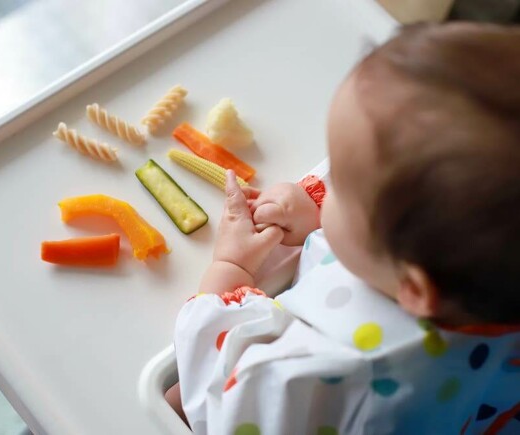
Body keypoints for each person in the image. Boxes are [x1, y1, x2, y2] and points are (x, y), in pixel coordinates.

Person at [166, 22, 520, 434]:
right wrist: (315, 212)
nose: (327, 188)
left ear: (415, 288)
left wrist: (230, 269)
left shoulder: (342, 374)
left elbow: (218, 401)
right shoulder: (482, 279)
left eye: (343, 193)